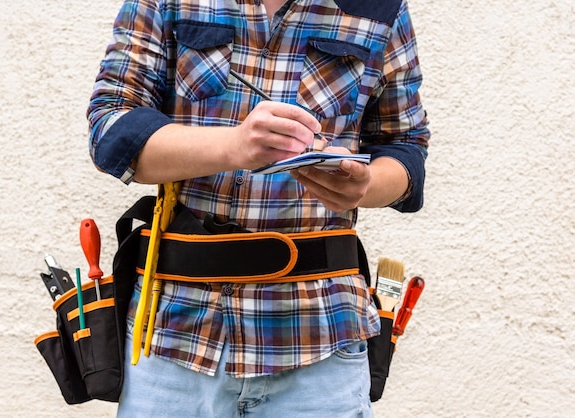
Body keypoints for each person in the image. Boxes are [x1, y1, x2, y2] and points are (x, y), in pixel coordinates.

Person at [87, 0, 429, 416]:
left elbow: (405, 146)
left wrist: (367, 186)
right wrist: (234, 147)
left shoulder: (380, 8)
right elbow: (111, 130)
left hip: (321, 344)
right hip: (172, 338)